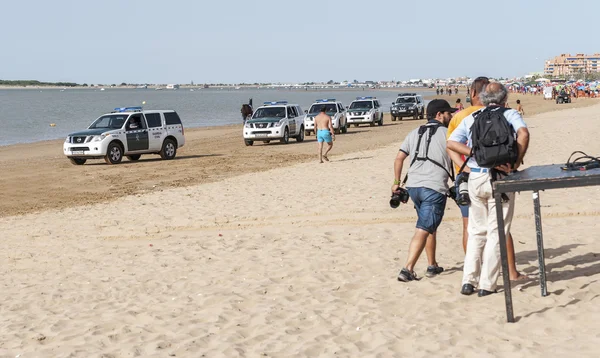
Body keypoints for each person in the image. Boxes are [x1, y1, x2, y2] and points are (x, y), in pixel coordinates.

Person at [447, 83, 530, 297]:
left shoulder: (474, 117)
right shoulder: (509, 113)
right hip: (500, 176)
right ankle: (487, 284)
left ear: (483, 98)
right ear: (504, 98)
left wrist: (476, 154)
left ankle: (468, 281)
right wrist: (515, 162)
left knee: (476, 231)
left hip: (476, 176)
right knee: (497, 231)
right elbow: (523, 134)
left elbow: (451, 143)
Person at [393, 99, 456, 282]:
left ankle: (432, 264)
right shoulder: (448, 134)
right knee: (423, 228)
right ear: (439, 115)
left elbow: (399, 159)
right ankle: (408, 269)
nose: (450, 116)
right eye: (448, 113)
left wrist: (396, 182)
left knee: (428, 224)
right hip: (433, 187)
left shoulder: (414, 132)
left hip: (413, 186)